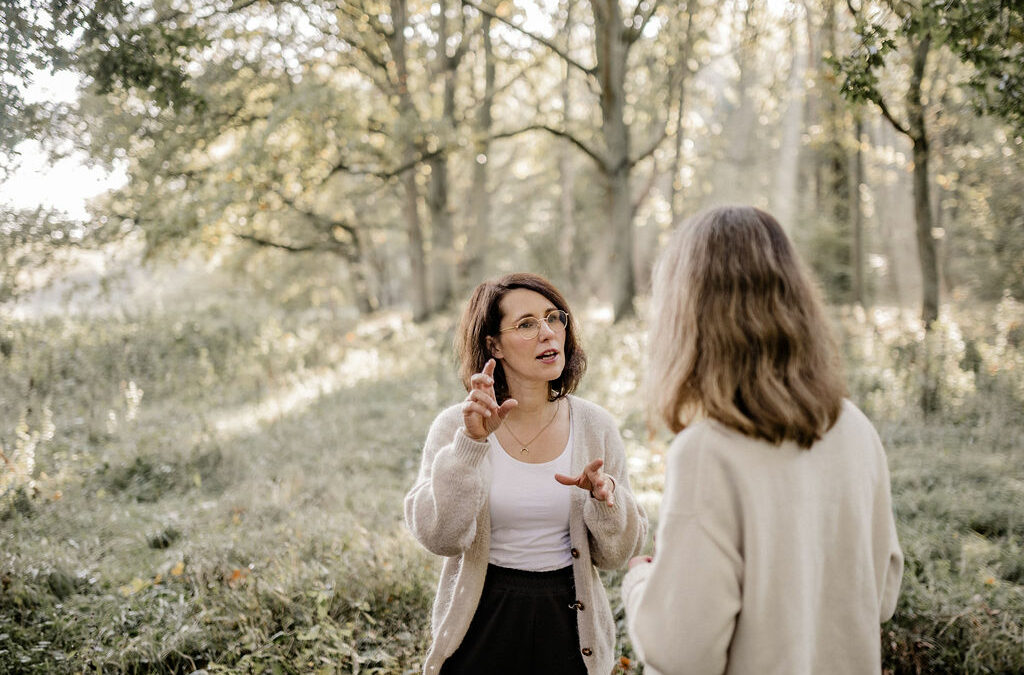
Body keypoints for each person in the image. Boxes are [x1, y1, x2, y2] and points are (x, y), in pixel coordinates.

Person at [622, 206, 903, 674]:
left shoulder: (706, 453)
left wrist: (640, 583)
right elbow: (882, 595)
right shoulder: (855, 428)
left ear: (686, 317)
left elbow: (681, 652)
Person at [405, 272, 648, 675]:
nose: (548, 333)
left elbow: (617, 556)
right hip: (482, 621)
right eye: (527, 324)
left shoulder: (595, 426)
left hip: (569, 624)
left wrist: (605, 502)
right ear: (492, 345)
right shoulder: (457, 425)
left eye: (554, 318)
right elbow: (440, 537)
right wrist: (469, 446)